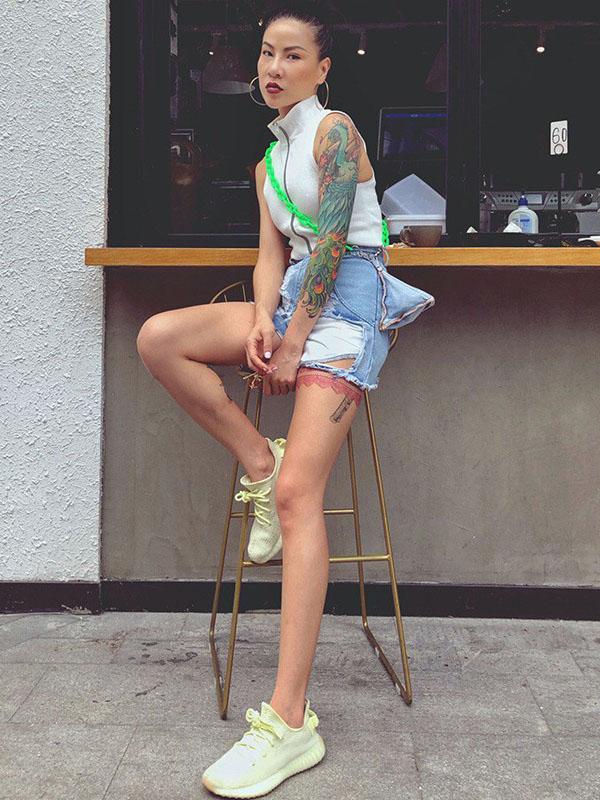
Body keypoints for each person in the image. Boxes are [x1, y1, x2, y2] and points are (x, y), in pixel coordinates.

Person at [136, 4, 398, 796]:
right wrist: (261, 319)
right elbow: (270, 256)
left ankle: (290, 721)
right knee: (160, 338)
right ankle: (259, 456)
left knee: (297, 499)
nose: (274, 67)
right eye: (266, 54)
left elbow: (334, 248)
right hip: (293, 303)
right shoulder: (268, 161)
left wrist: (292, 343)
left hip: (348, 310)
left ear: (323, 68)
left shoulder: (334, 133)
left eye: (291, 55)